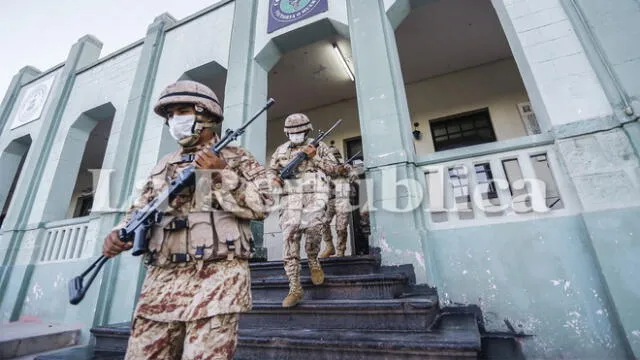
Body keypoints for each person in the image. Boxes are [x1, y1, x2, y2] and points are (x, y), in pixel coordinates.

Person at [101, 80, 274, 360]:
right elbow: (139, 209)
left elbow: (263, 204)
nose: (174, 120)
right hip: (162, 280)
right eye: (170, 115)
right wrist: (120, 232)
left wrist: (220, 173)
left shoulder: (238, 158)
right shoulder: (164, 165)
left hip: (217, 278)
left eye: (181, 111)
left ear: (204, 114)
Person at [268, 113, 345, 307]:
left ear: (307, 130)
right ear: (287, 133)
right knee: (289, 239)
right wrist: (273, 180)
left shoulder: (320, 147)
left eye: (300, 132)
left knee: (314, 232)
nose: (296, 135)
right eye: (292, 132)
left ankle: (313, 261)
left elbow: (336, 169)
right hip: (289, 199)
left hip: (314, 196)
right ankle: (294, 288)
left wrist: (315, 158)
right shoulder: (280, 150)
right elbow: (271, 172)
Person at [319, 142, 355, 258]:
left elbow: (354, 177)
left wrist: (345, 172)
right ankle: (329, 247)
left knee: (341, 227)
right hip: (329, 200)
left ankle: (341, 250)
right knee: (323, 223)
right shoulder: (325, 169)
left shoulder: (346, 166)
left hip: (342, 199)